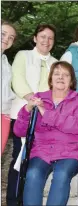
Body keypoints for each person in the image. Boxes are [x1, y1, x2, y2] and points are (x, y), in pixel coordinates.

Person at [13, 61, 78, 205]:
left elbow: (77, 126)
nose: (60, 77)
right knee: (33, 174)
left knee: (61, 174)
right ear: (51, 78)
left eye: (65, 75)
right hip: (42, 151)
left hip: (70, 152)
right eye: (57, 74)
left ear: (72, 80)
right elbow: (19, 131)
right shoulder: (39, 98)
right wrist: (27, 110)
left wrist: (46, 114)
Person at [7, 24, 58, 206]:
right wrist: (32, 100)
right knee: (19, 157)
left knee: (36, 158)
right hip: (23, 113)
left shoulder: (55, 63)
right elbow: (17, 78)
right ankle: (14, 200)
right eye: (43, 36)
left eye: (50, 38)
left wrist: (43, 106)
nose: (46, 41)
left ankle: (29, 199)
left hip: (44, 118)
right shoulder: (23, 55)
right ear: (35, 38)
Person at [1, 20, 17, 155]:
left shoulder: (6, 63)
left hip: (4, 113)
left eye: (11, 37)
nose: (6, 39)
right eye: (3, 34)